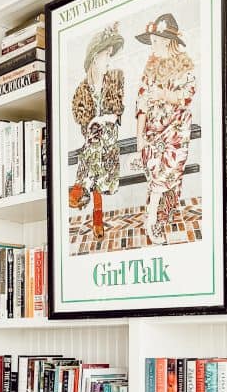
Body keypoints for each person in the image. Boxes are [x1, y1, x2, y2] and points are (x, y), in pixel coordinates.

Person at [135, 13, 196, 244]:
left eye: (158, 41)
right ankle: (152, 217)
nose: (155, 46)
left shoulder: (184, 65)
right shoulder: (150, 66)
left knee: (169, 173)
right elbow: (140, 102)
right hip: (153, 131)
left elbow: (188, 96)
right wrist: (140, 137)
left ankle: (154, 219)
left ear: (169, 42)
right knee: (155, 172)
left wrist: (164, 95)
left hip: (177, 130)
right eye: (153, 41)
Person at [70, 23, 125, 240]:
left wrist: (100, 119)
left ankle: (79, 188)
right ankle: (97, 217)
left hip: (109, 138)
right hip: (93, 141)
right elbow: (84, 123)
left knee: (93, 147)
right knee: (92, 144)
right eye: (106, 56)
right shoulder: (82, 91)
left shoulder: (115, 79)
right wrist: (93, 124)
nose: (109, 61)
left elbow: (116, 115)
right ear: (95, 58)